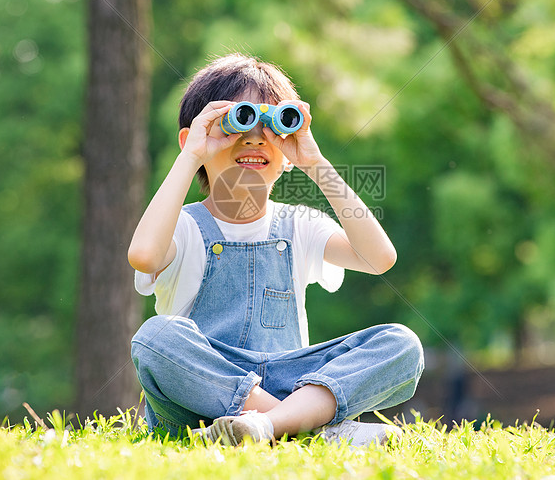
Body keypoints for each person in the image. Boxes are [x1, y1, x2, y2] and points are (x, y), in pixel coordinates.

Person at [128, 54, 424, 446]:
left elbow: (379, 258)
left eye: (274, 125)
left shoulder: (300, 224)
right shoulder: (182, 227)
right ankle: (305, 429)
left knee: (401, 343)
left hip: (292, 382)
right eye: (237, 122)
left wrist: (314, 162)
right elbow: (144, 256)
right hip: (199, 399)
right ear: (194, 139)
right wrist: (190, 156)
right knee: (155, 337)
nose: (254, 138)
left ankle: (268, 427)